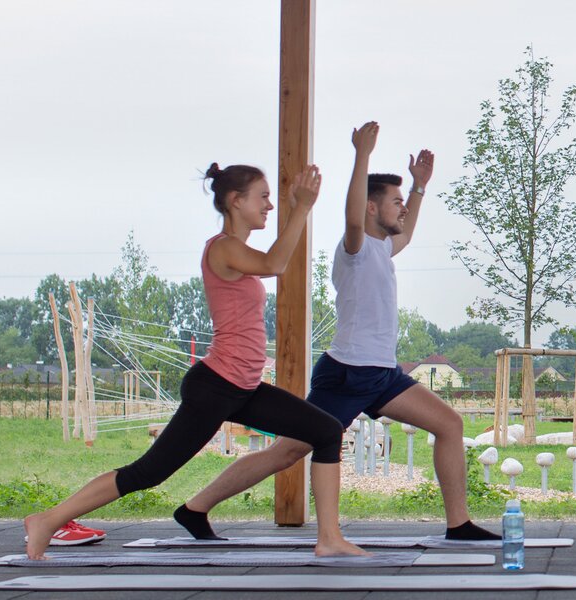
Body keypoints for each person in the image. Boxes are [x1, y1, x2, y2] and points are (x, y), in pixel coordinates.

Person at [174, 122, 498, 541]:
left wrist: (419, 188)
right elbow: (351, 217)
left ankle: (459, 524)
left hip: (382, 374)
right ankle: (195, 507)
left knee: (448, 424)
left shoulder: (384, 247)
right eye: (395, 202)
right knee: (289, 451)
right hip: (346, 374)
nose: (401, 209)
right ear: (369, 208)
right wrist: (361, 154)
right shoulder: (356, 248)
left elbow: (409, 230)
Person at [23, 163, 364, 559]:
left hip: (243, 387)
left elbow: (270, 260)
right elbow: (275, 264)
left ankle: (328, 538)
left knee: (324, 430)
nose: (270, 205)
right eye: (264, 197)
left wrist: (297, 208)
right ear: (236, 201)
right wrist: (302, 207)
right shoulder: (223, 247)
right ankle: (47, 520)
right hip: (216, 388)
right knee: (147, 473)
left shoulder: (237, 249)